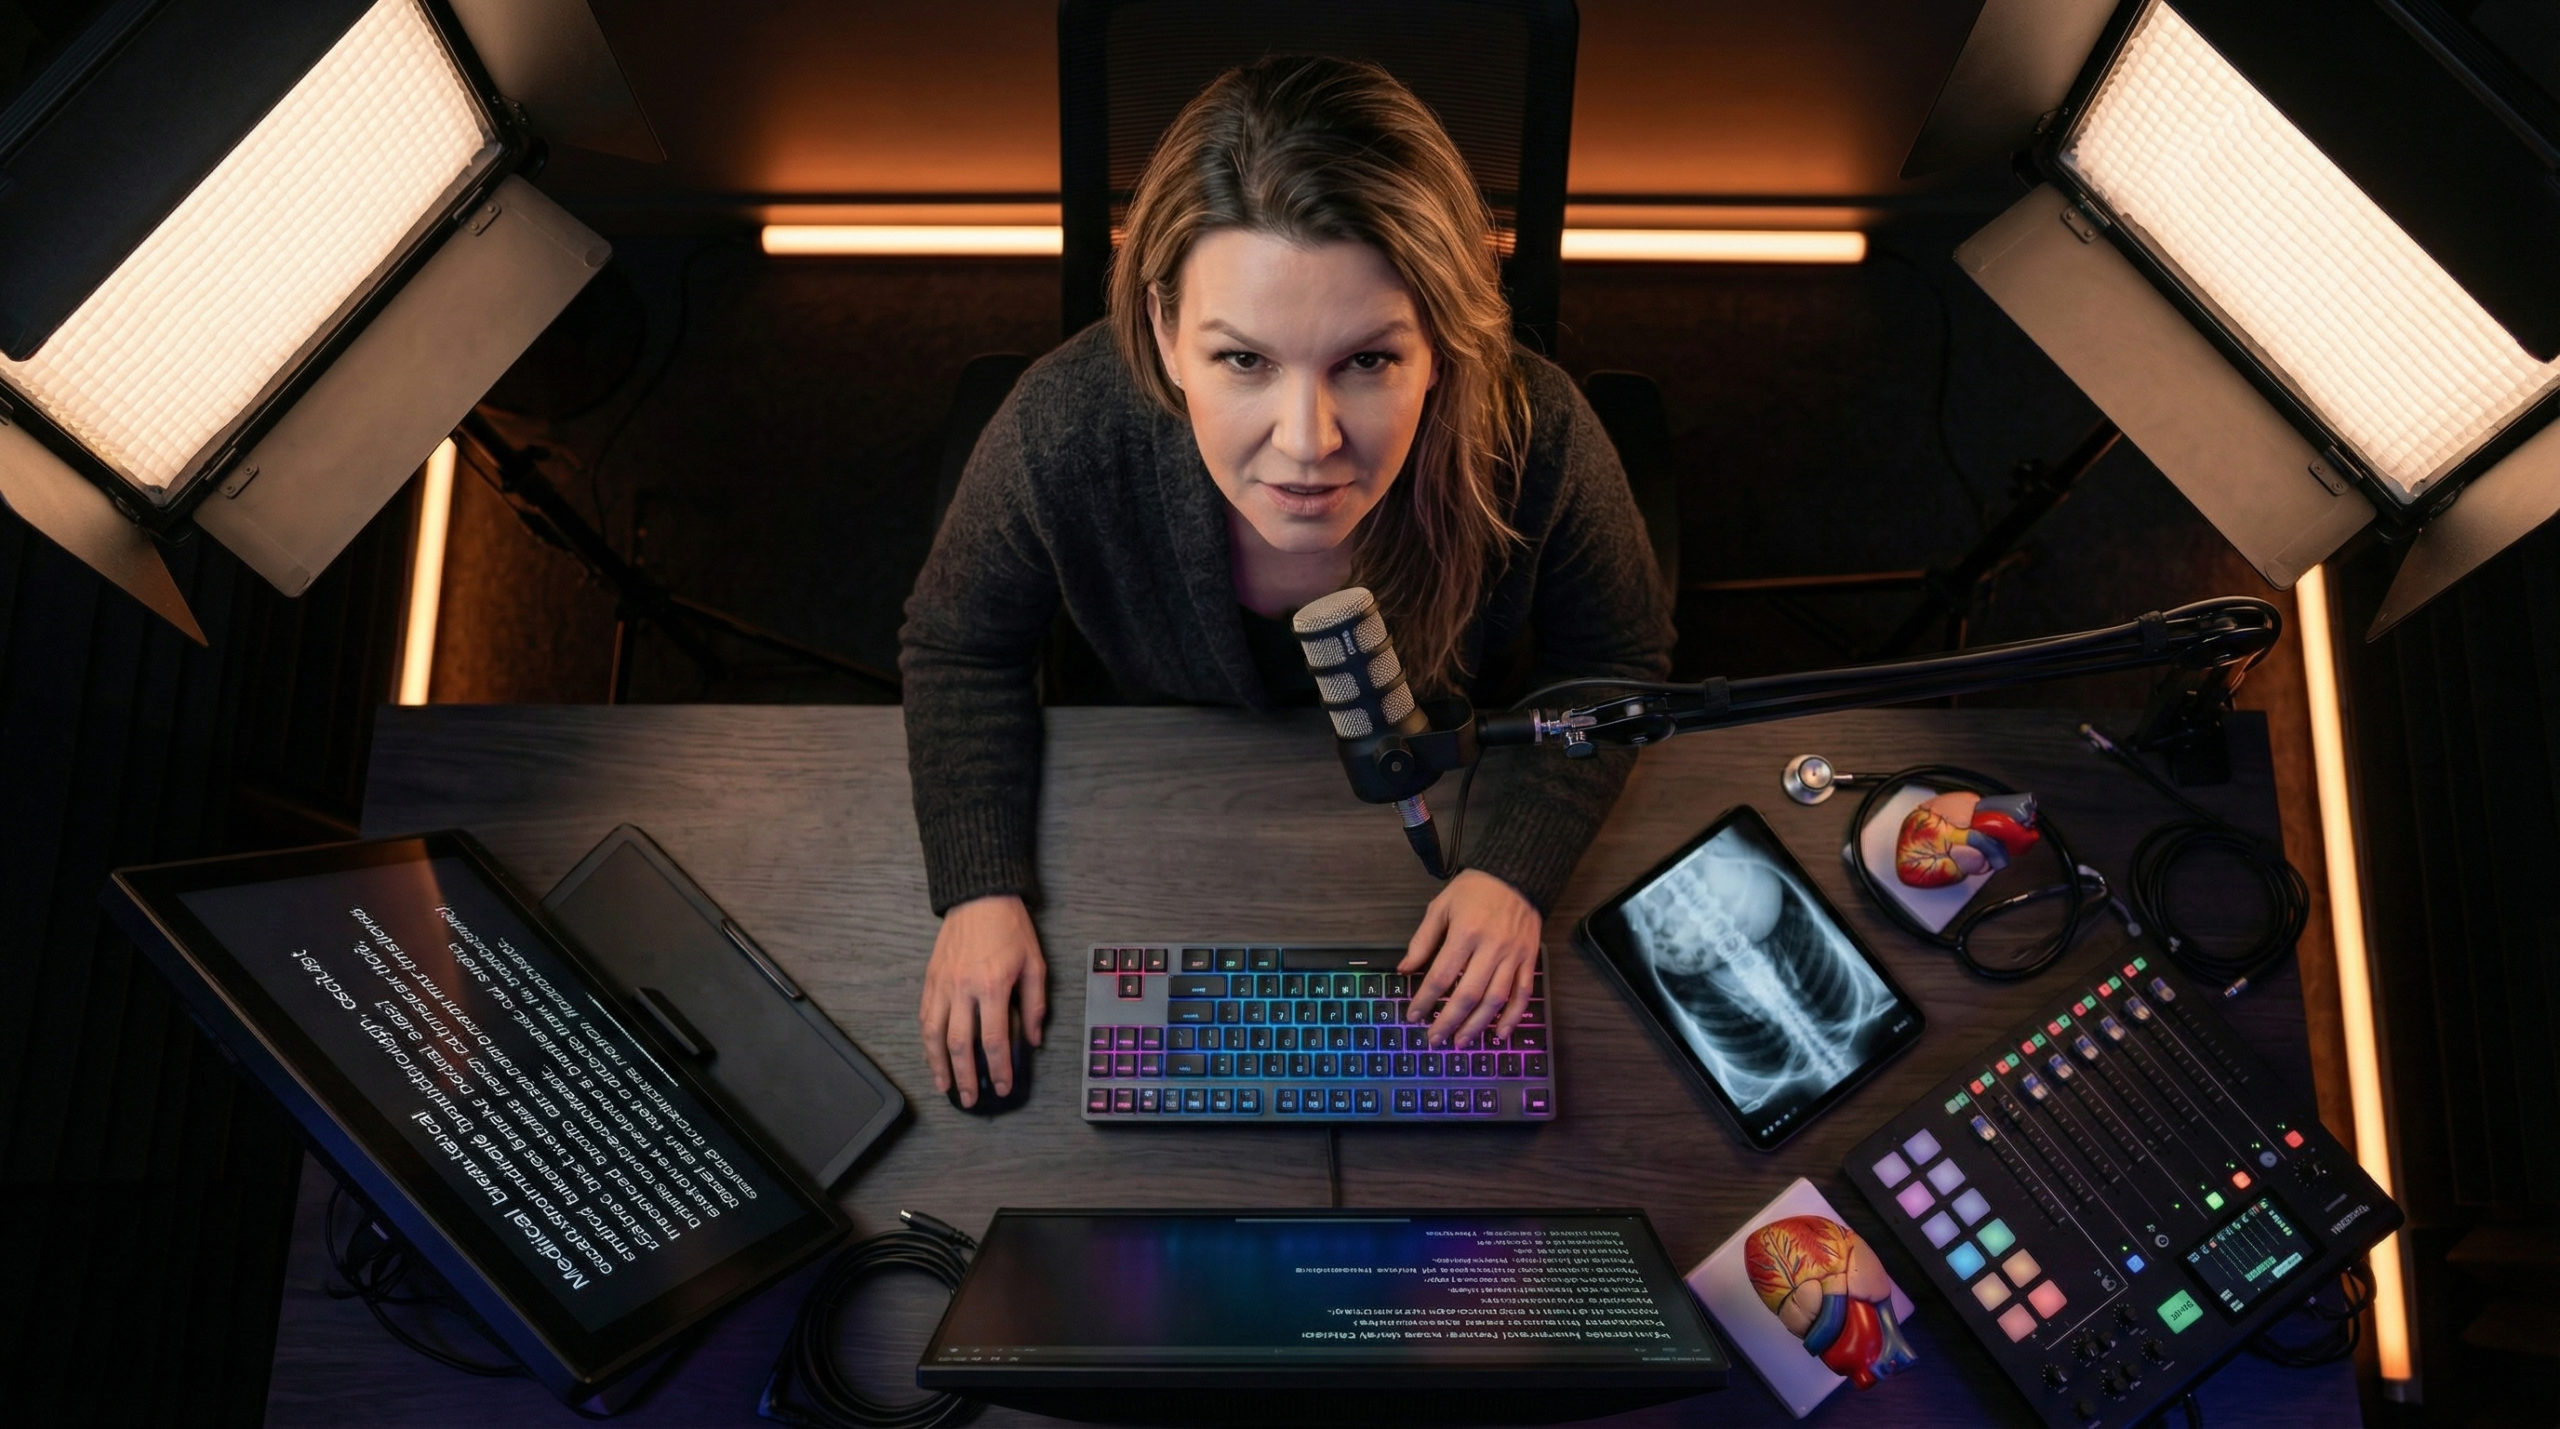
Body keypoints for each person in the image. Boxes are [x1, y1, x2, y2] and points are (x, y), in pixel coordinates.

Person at [902, 55, 1673, 1106]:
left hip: (1431, 814)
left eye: (1367, 360)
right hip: (1164, 804)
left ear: (1441, 341)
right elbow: (959, 644)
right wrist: (979, 886)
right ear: (1165, 328)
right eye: (1243, 361)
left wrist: (1513, 868)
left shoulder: (1535, 436)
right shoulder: (1063, 427)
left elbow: (1614, 657)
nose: (1307, 444)